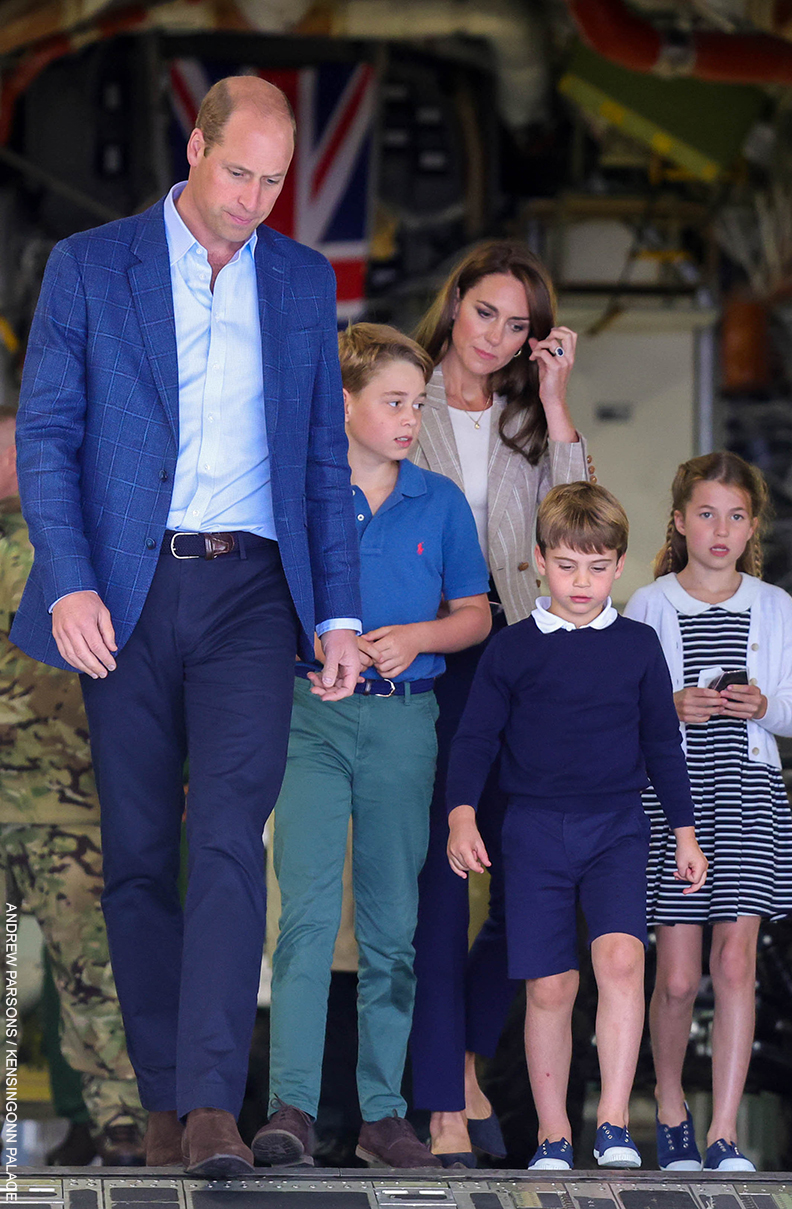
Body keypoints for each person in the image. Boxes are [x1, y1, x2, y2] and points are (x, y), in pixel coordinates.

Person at [11, 75, 361, 1177]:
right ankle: (161, 1099)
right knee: (137, 855)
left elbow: (318, 461)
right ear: (194, 147)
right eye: (238, 174)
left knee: (225, 837)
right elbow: (52, 435)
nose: (254, 200)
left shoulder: (305, 283)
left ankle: (211, 1104)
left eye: (274, 181)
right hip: (125, 593)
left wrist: (339, 612)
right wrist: (69, 581)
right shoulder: (89, 265)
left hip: (255, 593)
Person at [253, 323, 491, 1169]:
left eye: (415, 404)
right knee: (307, 916)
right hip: (309, 717)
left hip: (405, 720)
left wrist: (417, 634)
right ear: (343, 405)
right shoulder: (298, 502)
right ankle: (292, 1107)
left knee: (395, 923)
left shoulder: (441, 502)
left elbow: (477, 612)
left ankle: (386, 1115)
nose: (406, 417)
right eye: (392, 401)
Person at [446, 481, 708, 1172]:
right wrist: (462, 812)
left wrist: (684, 829)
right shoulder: (511, 650)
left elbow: (661, 743)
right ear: (538, 560)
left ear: (619, 565)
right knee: (550, 985)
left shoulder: (639, 646)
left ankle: (615, 1121)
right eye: (567, 565)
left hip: (619, 825)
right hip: (532, 830)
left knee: (622, 959)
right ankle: (554, 1133)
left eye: (597, 567)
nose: (582, 581)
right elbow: (475, 738)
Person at [408, 240, 591, 1163]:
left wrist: (556, 404)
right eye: (486, 312)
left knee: (528, 891)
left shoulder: (531, 420)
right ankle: (442, 1104)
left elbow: (577, 526)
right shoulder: (408, 396)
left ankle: (466, 1054)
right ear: (454, 306)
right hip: (438, 656)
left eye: (518, 324)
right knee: (445, 882)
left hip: (524, 660)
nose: (497, 335)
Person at [624, 452, 792, 1173]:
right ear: (679, 521)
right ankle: (671, 1108)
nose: (721, 528)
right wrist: (671, 706)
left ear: (752, 526)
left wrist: (764, 703)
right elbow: (630, 711)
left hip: (748, 794)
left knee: (737, 967)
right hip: (676, 799)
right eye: (707, 513)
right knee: (676, 975)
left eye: (736, 516)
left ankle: (724, 1131)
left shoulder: (772, 606)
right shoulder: (649, 604)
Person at [0, 409, 145, 1166]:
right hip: (46, 794)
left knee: (91, 967)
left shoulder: (90, 547)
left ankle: (120, 1121)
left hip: (70, 798)